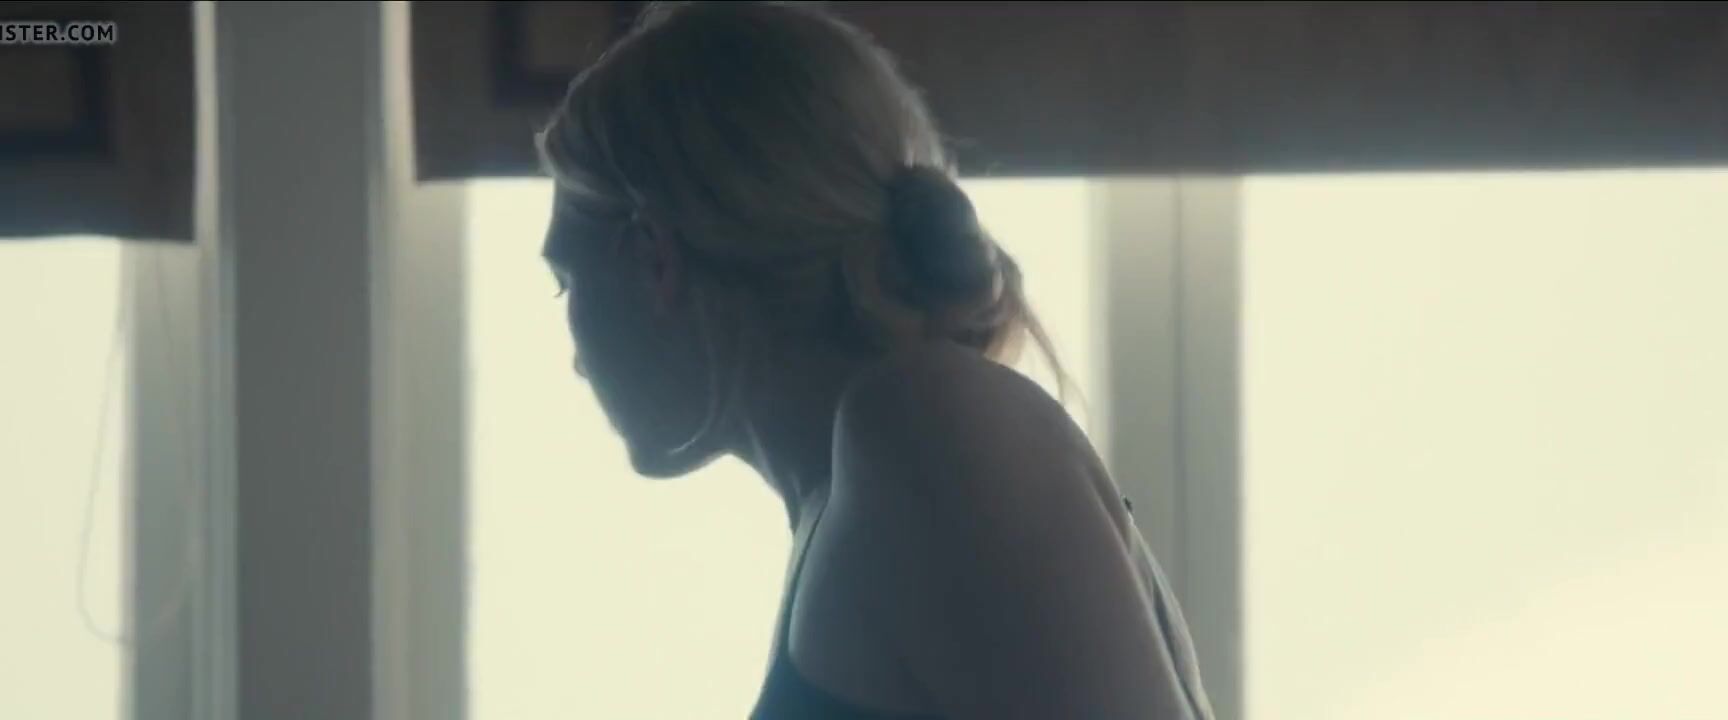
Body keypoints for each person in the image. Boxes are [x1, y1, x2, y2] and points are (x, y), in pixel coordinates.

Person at [535, 3, 1214, 718]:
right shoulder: (865, 481)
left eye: (565, 281)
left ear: (653, 260)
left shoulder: (922, 426)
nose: (574, 359)